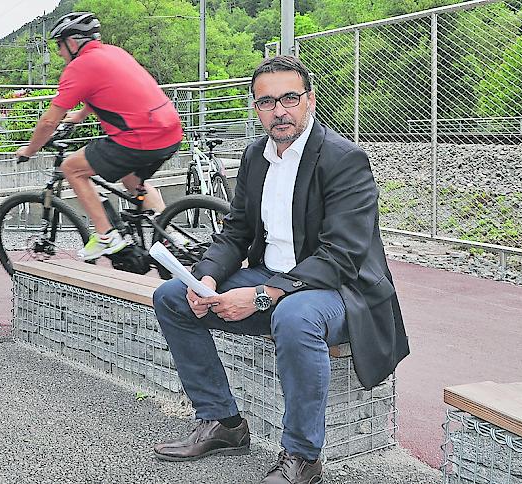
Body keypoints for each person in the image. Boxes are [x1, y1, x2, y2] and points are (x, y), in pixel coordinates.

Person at [152, 55, 409, 483]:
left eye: (290, 97)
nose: (280, 110)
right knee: (173, 298)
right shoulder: (255, 157)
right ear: (256, 108)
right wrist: (209, 279)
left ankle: (303, 457)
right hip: (272, 277)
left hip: (340, 291)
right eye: (267, 101)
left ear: (309, 100)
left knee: (294, 316)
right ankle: (223, 423)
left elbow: (341, 255)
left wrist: (261, 295)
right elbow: (235, 233)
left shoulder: (344, 159)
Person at [16, 12, 183, 261]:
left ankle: (106, 236)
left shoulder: (79, 68)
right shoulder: (115, 53)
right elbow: (109, 88)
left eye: (59, 45)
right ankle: (170, 235)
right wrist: (80, 115)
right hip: (170, 131)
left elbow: (49, 121)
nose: (60, 52)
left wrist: (29, 150)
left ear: (73, 43)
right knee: (131, 179)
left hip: (139, 138)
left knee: (72, 167)